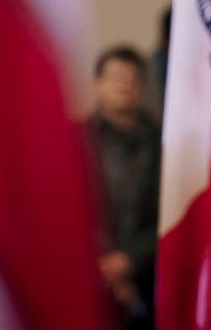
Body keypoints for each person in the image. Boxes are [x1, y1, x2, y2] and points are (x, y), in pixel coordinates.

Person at [87, 45, 161, 330]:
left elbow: (169, 212)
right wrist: (105, 266)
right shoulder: (75, 141)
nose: (124, 85)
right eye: (116, 77)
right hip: (88, 273)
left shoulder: (162, 143)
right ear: (97, 84)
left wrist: (129, 260)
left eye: (132, 79)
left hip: (148, 277)